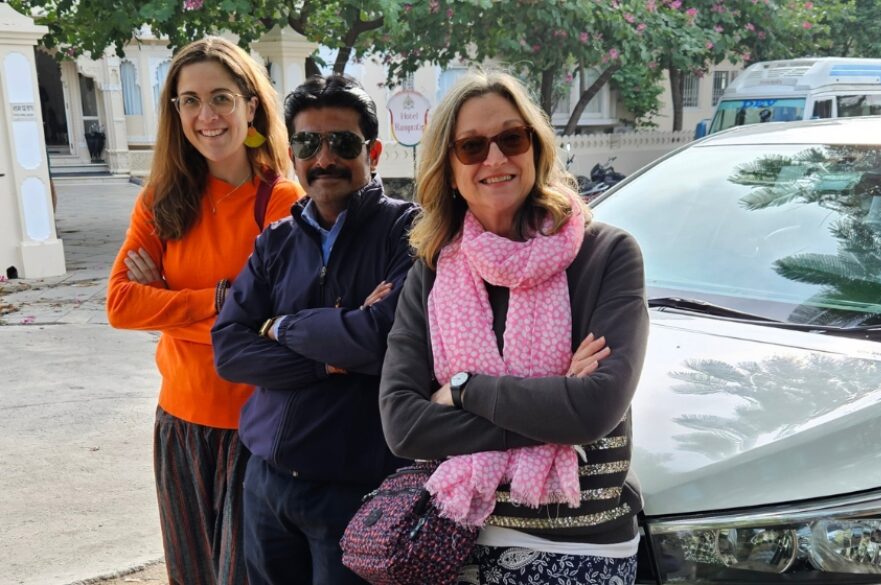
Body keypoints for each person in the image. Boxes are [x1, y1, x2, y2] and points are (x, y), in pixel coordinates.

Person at [379, 70, 649, 584]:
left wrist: (461, 391)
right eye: (472, 147)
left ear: (536, 147)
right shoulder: (433, 269)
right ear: (448, 168)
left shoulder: (607, 254)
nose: (496, 159)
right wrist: (552, 406)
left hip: (581, 548)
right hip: (457, 545)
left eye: (511, 138)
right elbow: (403, 425)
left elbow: (593, 409)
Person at [106, 37, 302, 585]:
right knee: (190, 576)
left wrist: (167, 302)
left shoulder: (282, 202)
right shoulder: (161, 200)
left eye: (221, 98)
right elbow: (121, 303)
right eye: (189, 101)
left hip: (255, 430)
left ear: (251, 106)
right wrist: (221, 300)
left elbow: (275, 326)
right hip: (178, 425)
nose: (206, 115)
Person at [210, 74, 418, 585]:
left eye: (342, 143)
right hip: (267, 484)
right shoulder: (276, 241)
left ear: (373, 150)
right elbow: (230, 350)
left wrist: (277, 326)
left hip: (358, 490)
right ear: (292, 153)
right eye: (307, 142)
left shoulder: (407, 233)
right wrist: (330, 356)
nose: (323, 158)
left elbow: (383, 340)